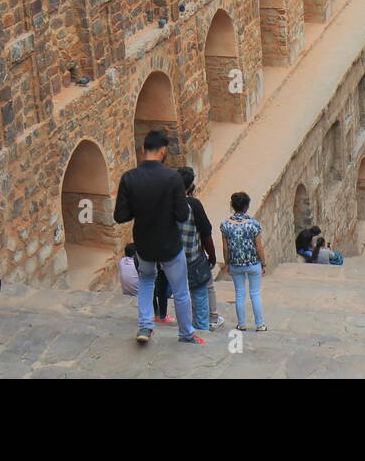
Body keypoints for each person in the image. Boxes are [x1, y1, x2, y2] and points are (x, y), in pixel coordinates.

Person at [114, 129, 198, 345]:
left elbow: (120, 216)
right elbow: (182, 214)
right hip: (169, 243)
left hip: (144, 243)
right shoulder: (172, 178)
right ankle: (186, 333)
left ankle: (145, 326)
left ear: (144, 149)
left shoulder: (129, 178)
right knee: (180, 290)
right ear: (163, 151)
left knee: (146, 280)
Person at [220, 191, 267, 331]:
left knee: (240, 293)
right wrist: (263, 263)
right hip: (253, 263)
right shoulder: (253, 224)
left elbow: (225, 247)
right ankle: (260, 325)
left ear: (232, 205)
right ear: (246, 206)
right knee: (255, 294)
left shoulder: (225, 225)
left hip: (236, 264)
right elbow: (259, 247)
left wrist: (227, 263)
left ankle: (241, 324)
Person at [176, 167, 213, 332]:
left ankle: (185, 329)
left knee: (181, 296)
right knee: (199, 296)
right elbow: (206, 233)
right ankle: (202, 329)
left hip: (172, 259)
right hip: (192, 257)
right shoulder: (193, 205)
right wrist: (212, 256)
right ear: (190, 185)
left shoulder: (165, 203)